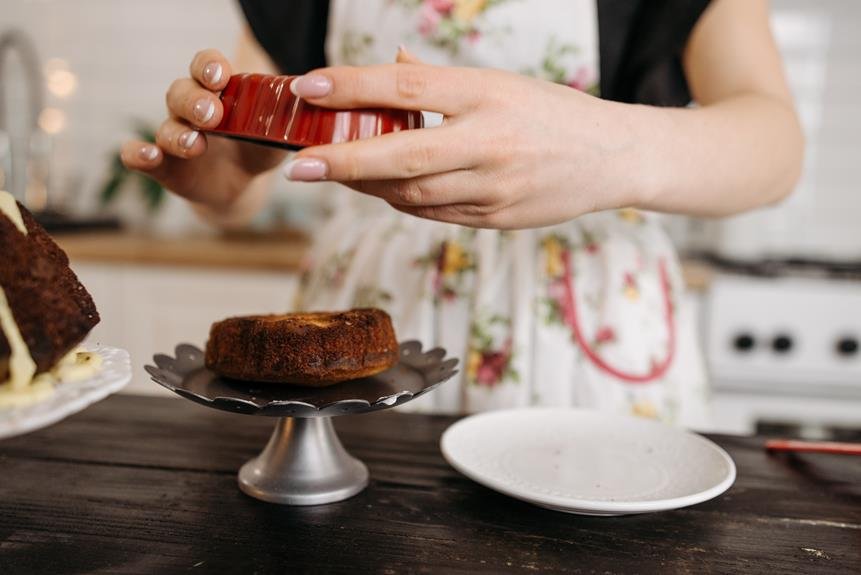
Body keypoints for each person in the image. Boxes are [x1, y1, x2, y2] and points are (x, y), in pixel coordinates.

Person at [121, 0, 803, 423]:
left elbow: (776, 145)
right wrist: (224, 169)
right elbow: (245, 182)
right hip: (370, 335)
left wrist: (604, 149)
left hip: (593, 332)